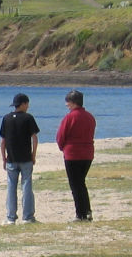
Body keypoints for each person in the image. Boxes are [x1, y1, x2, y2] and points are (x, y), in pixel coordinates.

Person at [0, 93, 40, 225]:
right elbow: (34, 138)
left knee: (11, 186)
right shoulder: (28, 118)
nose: (28, 106)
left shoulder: (6, 118)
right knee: (26, 185)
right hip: (26, 158)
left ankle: (11, 217)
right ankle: (27, 216)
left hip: (11, 157)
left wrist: (3, 158)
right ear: (23, 104)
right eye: (27, 104)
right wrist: (33, 155)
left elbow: (2, 141)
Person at [57, 90, 96, 222]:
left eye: (68, 102)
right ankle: (87, 210)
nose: (66, 104)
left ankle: (81, 214)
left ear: (73, 103)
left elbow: (61, 136)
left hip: (73, 154)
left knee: (75, 185)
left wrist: (63, 147)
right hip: (88, 153)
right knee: (80, 183)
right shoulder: (90, 117)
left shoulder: (70, 117)